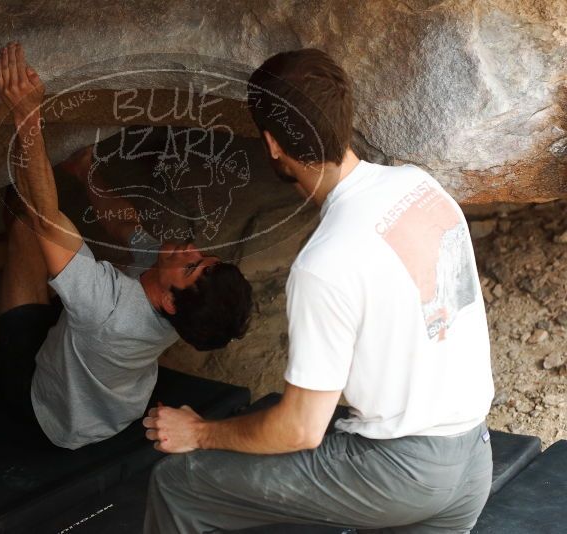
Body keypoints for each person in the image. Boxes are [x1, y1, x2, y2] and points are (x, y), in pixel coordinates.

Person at [143, 49, 494, 533]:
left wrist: (200, 432)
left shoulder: (323, 263)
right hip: (473, 460)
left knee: (180, 482)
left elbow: (300, 430)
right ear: (344, 120)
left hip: (399, 476)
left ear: (271, 144)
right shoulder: (421, 187)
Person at [0, 42, 253, 450]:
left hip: (52, 412)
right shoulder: (187, 313)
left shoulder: (109, 309)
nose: (189, 249)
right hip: (114, 405)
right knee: (67, 254)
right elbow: (127, 226)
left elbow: (46, 217)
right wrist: (85, 171)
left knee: (28, 228)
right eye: (202, 257)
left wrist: (26, 112)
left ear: (167, 300)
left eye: (190, 266)